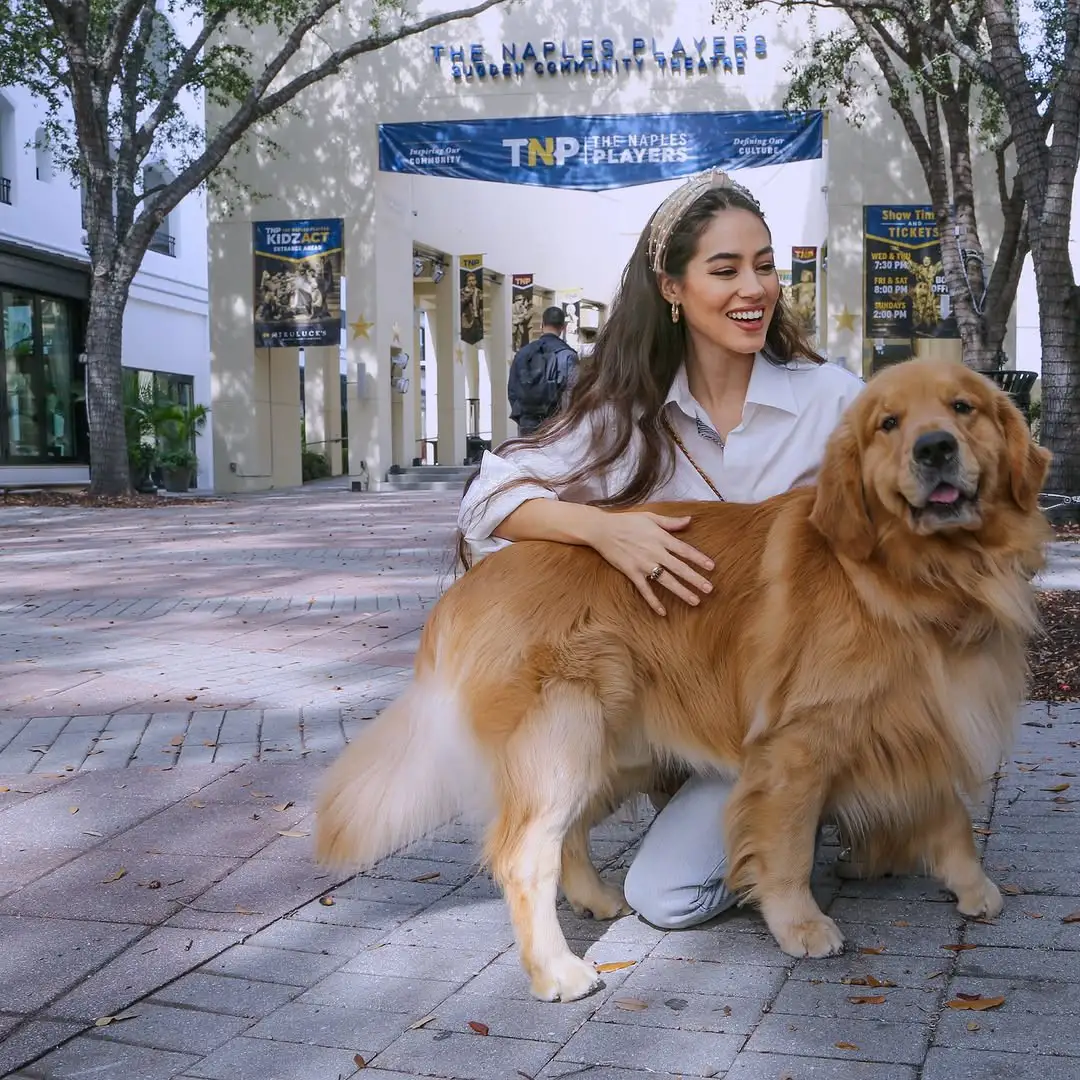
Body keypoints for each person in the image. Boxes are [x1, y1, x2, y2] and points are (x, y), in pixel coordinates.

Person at [456, 168, 865, 931]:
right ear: (672, 286)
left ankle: (836, 802)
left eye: (765, 264)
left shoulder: (832, 400)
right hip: (683, 703)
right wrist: (604, 529)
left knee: (672, 890)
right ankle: (748, 806)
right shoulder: (626, 412)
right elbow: (488, 502)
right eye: (726, 269)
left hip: (802, 707)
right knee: (664, 896)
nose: (755, 288)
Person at [507, 306, 580, 436]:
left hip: (527, 426)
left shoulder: (523, 353)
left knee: (527, 456)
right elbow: (574, 395)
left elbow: (512, 390)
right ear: (563, 327)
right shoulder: (568, 356)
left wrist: (524, 419)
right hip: (556, 427)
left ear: (541, 325)